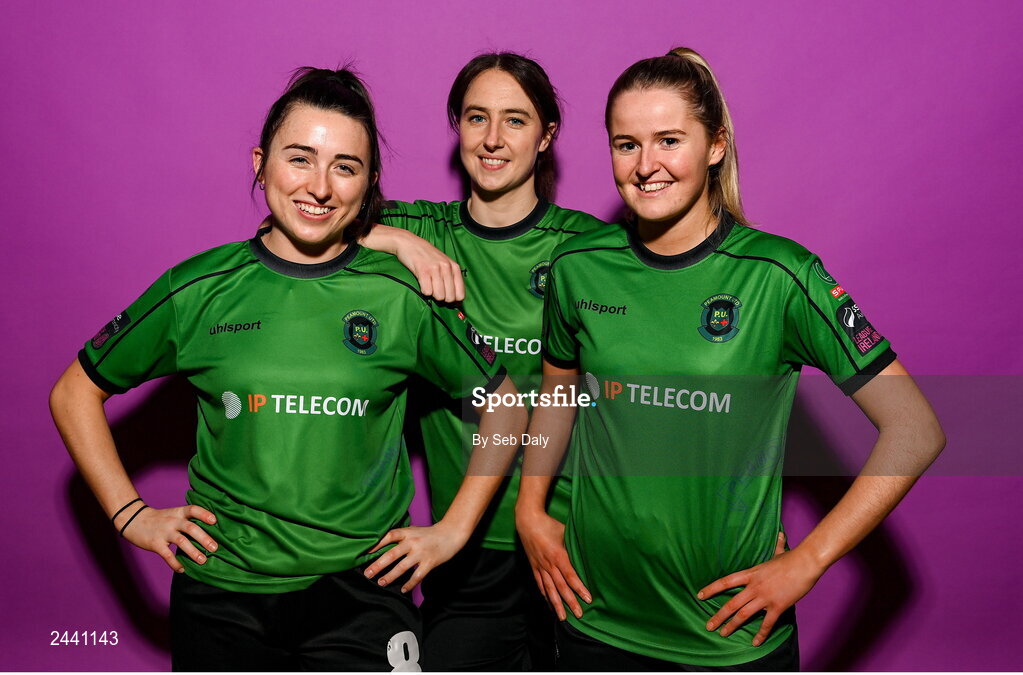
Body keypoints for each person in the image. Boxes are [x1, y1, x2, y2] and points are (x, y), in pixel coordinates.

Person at [48, 67, 527, 672]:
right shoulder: (200, 288)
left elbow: (509, 403)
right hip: (223, 597)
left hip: (362, 598)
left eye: (346, 167)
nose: (320, 186)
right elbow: (73, 393)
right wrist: (132, 515)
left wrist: (453, 530)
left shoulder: (398, 296)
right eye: (300, 158)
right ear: (260, 162)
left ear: (370, 182)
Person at [515, 47, 945, 671]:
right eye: (625, 144)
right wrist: (530, 510)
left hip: (724, 638)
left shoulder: (779, 275)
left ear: (715, 145)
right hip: (593, 620)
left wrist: (809, 561)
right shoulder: (580, 266)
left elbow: (916, 430)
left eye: (669, 140)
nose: (646, 165)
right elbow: (558, 395)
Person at [361, 52, 607, 670]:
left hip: (577, 543)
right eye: (477, 118)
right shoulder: (423, 231)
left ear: (547, 135)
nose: (493, 139)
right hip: (466, 549)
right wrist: (396, 239)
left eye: (516, 121)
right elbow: (290, 224)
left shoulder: (589, 246)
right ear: (458, 129)